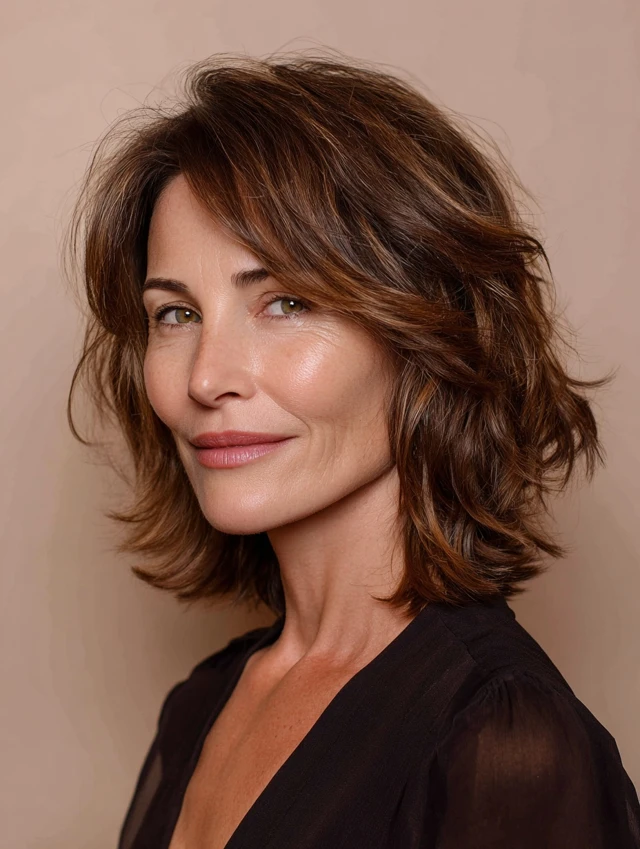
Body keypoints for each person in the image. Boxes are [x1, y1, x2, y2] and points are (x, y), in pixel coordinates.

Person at [65, 53, 640, 849]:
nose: (205, 377)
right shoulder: (199, 706)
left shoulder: (504, 744)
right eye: (176, 314)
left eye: (285, 302)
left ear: (427, 331)